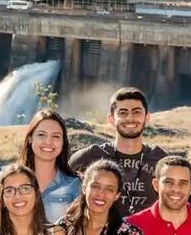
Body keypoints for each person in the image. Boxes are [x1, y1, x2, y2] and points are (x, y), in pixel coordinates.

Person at [68, 87, 166, 215]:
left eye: (136, 112)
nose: (130, 118)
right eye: (123, 113)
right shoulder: (88, 157)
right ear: (111, 119)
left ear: (147, 117)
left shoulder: (161, 160)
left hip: (148, 234)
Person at [20, 108, 80, 223]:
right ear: (30, 139)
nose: (48, 141)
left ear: (63, 142)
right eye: (41, 135)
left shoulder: (76, 184)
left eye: (56, 136)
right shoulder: (8, 179)